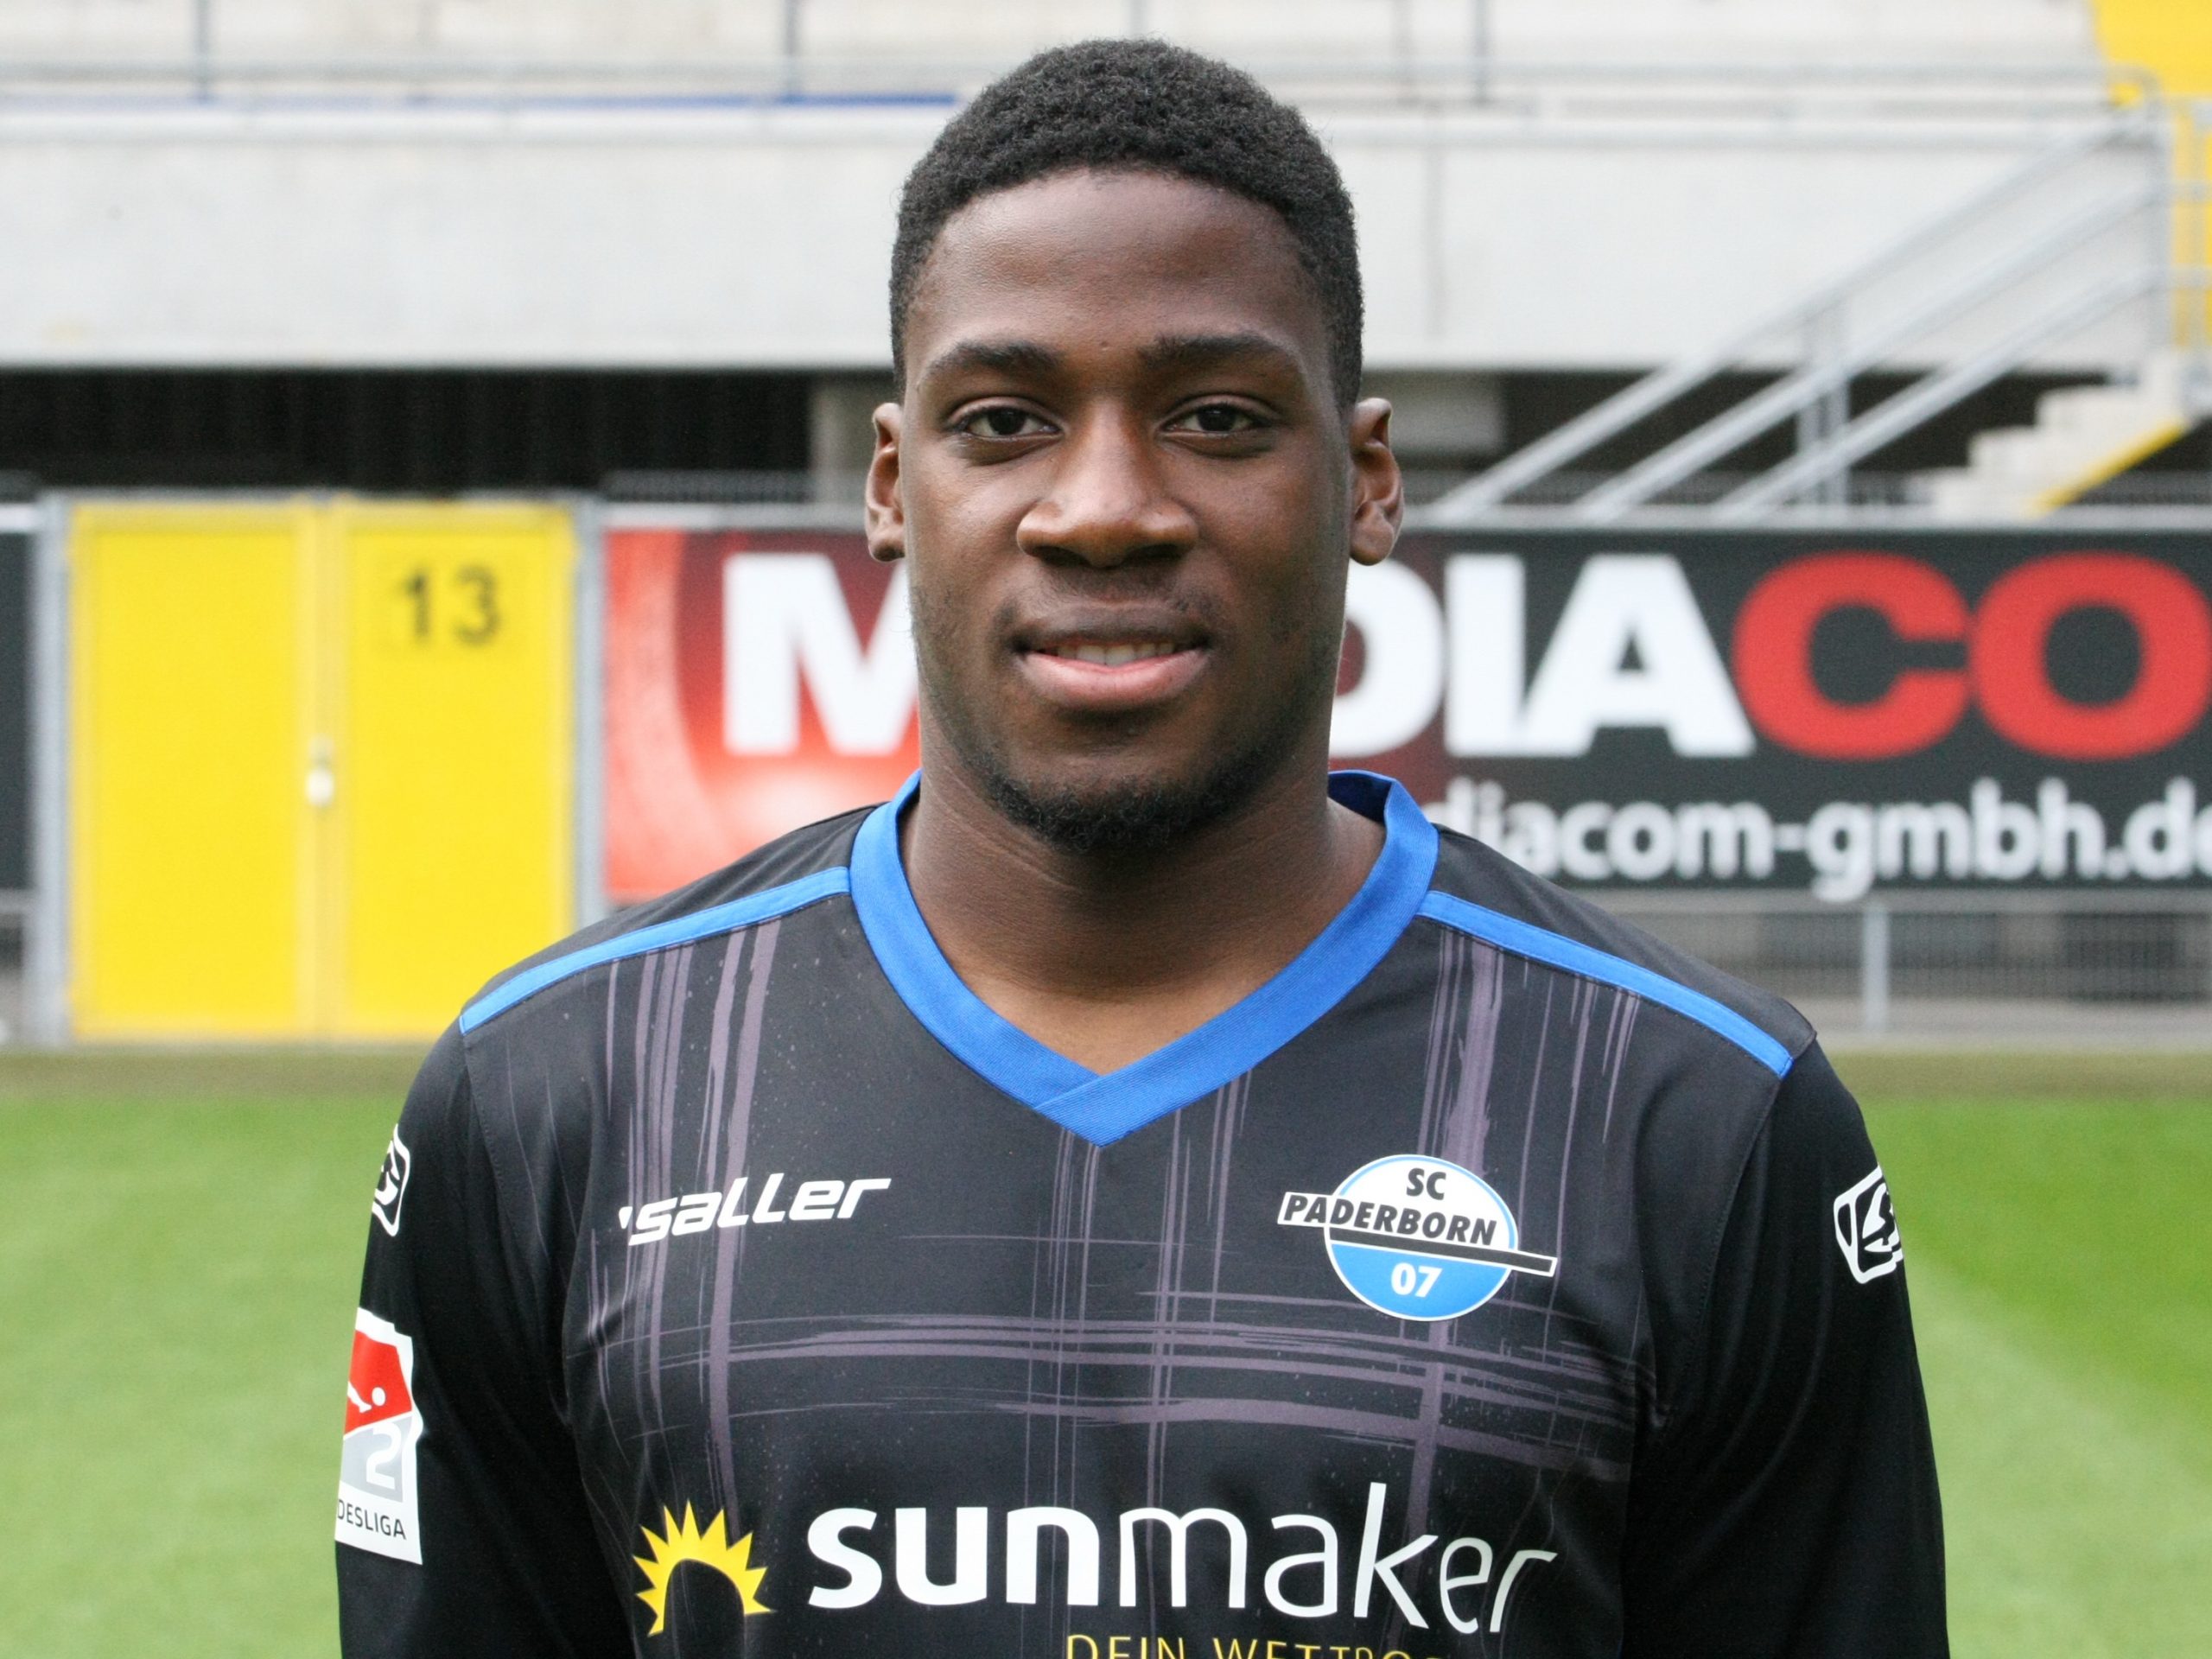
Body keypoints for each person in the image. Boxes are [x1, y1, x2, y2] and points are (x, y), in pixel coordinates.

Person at [337, 38, 1946, 1658]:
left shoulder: (1695, 1120)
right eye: (1005, 420)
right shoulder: (549, 1096)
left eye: (1219, 417)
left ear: (1365, 482)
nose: (1104, 508)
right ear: (894, 486)